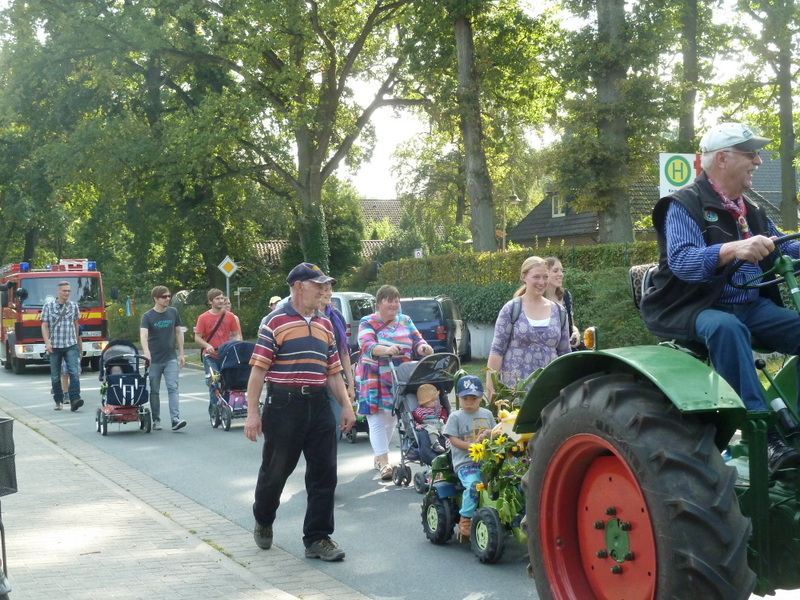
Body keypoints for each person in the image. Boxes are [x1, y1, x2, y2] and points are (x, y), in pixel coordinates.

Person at [640, 122, 800, 475]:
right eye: (751, 153)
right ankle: (765, 434)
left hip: (750, 305)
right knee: (726, 328)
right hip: (693, 306)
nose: (758, 161)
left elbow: (783, 247)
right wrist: (733, 248)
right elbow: (683, 261)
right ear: (722, 158)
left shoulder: (750, 210)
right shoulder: (682, 204)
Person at [244, 262, 356, 562]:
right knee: (275, 472)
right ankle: (264, 518)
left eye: (325, 285)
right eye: (318, 285)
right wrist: (252, 414)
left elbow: (333, 372)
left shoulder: (325, 324)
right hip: (284, 406)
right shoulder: (274, 322)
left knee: (324, 474)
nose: (324, 290)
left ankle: (318, 538)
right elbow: (258, 371)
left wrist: (346, 406)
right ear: (298, 287)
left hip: (319, 404)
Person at [356, 284, 434, 480]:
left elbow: (417, 340)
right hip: (374, 377)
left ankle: (379, 455)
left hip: (400, 377)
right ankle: (384, 463)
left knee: (391, 418)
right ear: (379, 303)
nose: (393, 304)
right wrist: (386, 349)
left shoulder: (405, 320)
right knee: (377, 418)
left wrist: (423, 348)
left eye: (396, 301)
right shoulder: (368, 321)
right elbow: (366, 345)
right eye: (389, 301)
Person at [485, 256, 571, 401]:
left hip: (549, 390)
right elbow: (497, 351)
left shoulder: (559, 312)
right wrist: (491, 390)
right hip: (515, 392)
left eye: (545, 277)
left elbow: (565, 353)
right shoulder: (511, 309)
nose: (541, 282)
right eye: (536, 277)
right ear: (524, 277)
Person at [443, 375, 496, 538]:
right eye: (465, 399)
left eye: (474, 398)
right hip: (466, 463)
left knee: (504, 482)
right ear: (458, 397)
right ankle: (465, 518)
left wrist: (491, 436)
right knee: (474, 484)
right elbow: (453, 439)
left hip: (487, 462)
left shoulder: (487, 414)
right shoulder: (455, 417)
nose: (469, 403)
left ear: (481, 397)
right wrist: (472, 446)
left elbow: (495, 433)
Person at [140, 286, 187, 432]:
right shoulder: (147, 316)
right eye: (164, 296)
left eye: (168, 296)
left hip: (170, 357)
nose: (167, 299)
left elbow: (178, 333)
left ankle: (175, 419)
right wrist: (146, 353)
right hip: (154, 360)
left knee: (173, 387)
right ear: (155, 298)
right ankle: (156, 420)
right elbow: (143, 335)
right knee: (154, 390)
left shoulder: (173, 312)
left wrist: (181, 353)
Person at [195, 288, 243, 414]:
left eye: (222, 298)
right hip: (210, 355)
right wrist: (207, 345)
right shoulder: (203, 317)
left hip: (226, 354)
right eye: (217, 299)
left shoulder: (230, 316)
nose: (221, 301)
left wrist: (235, 344)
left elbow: (236, 334)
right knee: (214, 381)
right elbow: (197, 337)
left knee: (226, 381)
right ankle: (214, 408)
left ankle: (225, 407)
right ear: (210, 301)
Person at [320, 282, 356, 440]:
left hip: (335, 379)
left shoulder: (336, 317)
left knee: (336, 424)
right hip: (315, 380)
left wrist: (351, 385)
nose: (329, 293)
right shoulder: (307, 317)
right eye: (325, 290)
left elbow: (344, 351)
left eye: (330, 289)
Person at [41, 281, 83, 411]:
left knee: (74, 373)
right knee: (55, 376)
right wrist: (47, 343)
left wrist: (76, 341)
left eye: (69, 291)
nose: (67, 293)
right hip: (55, 345)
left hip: (70, 344)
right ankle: (58, 400)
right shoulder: (48, 306)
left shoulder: (73, 306)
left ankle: (75, 399)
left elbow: (76, 324)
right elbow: (44, 325)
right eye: (64, 291)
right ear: (58, 291)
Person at [544, 257, 583, 350]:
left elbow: (571, 325)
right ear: (545, 274)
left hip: (569, 347)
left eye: (561, 271)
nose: (560, 274)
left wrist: (576, 333)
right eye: (555, 271)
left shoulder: (566, 295)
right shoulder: (537, 299)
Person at [412, 383, 448, 454]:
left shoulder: (437, 408)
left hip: (438, 422)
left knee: (445, 428)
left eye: (436, 399)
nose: (436, 402)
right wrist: (417, 425)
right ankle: (435, 444)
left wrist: (442, 418)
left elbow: (444, 412)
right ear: (424, 402)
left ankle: (449, 441)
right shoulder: (419, 410)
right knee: (432, 429)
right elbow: (415, 419)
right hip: (427, 424)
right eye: (432, 401)